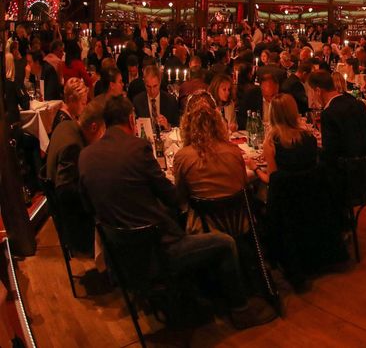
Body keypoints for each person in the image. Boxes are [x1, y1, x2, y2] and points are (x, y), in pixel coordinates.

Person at [78, 96, 275, 329]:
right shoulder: (137, 148)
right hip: (158, 251)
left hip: (120, 254)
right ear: (131, 120)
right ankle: (240, 310)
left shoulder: (86, 156)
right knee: (225, 242)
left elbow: (88, 208)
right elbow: (172, 198)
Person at [171, 99, 252, 231]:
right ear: (218, 125)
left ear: (187, 127)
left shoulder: (183, 157)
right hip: (239, 226)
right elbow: (245, 185)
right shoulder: (234, 151)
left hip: (205, 233)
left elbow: (180, 198)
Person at [46, 95, 107, 254]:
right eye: (103, 131)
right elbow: (64, 191)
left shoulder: (66, 126)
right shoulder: (73, 145)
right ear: (94, 127)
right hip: (75, 225)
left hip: (68, 215)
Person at [311, 70, 366, 167]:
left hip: (344, 175)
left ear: (318, 91)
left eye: (312, 93)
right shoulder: (359, 105)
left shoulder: (328, 113)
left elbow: (330, 154)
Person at [256, 94, 318, 185]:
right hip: (309, 193)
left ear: (272, 114)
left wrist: (255, 168)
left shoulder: (271, 143)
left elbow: (270, 180)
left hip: (283, 196)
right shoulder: (310, 137)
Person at [133, 66, 180, 135]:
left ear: (160, 82)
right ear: (144, 83)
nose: (152, 91)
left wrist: (168, 126)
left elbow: (178, 126)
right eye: (148, 86)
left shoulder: (170, 100)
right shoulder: (138, 101)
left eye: (155, 86)